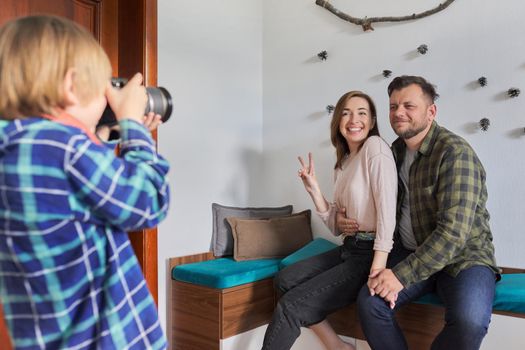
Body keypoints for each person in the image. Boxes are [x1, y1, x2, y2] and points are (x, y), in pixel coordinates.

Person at [0, 15, 170, 349]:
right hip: (110, 339)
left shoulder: (19, 148)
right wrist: (134, 129)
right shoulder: (66, 150)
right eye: (104, 87)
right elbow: (148, 201)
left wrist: (103, 135)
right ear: (70, 84)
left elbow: (75, 198)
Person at [355, 75, 499, 350]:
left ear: (431, 111)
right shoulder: (393, 152)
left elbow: (453, 234)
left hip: (464, 257)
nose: (398, 113)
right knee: (370, 303)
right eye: (393, 106)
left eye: (408, 105)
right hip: (411, 251)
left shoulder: (455, 153)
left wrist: (399, 276)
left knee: (469, 321)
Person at [261, 91, 397, 350]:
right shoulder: (343, 163)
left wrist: (377, 270)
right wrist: (313, 189)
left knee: (290, 307)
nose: (353, 119)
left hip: (370, 254)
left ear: (371, 121)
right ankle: (336, 345)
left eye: (361, 113)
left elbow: (387, 214)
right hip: (350, 247)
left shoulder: (375, 148)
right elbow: (336, 226)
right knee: (284, 280)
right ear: (338, 121)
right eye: (346, 113)